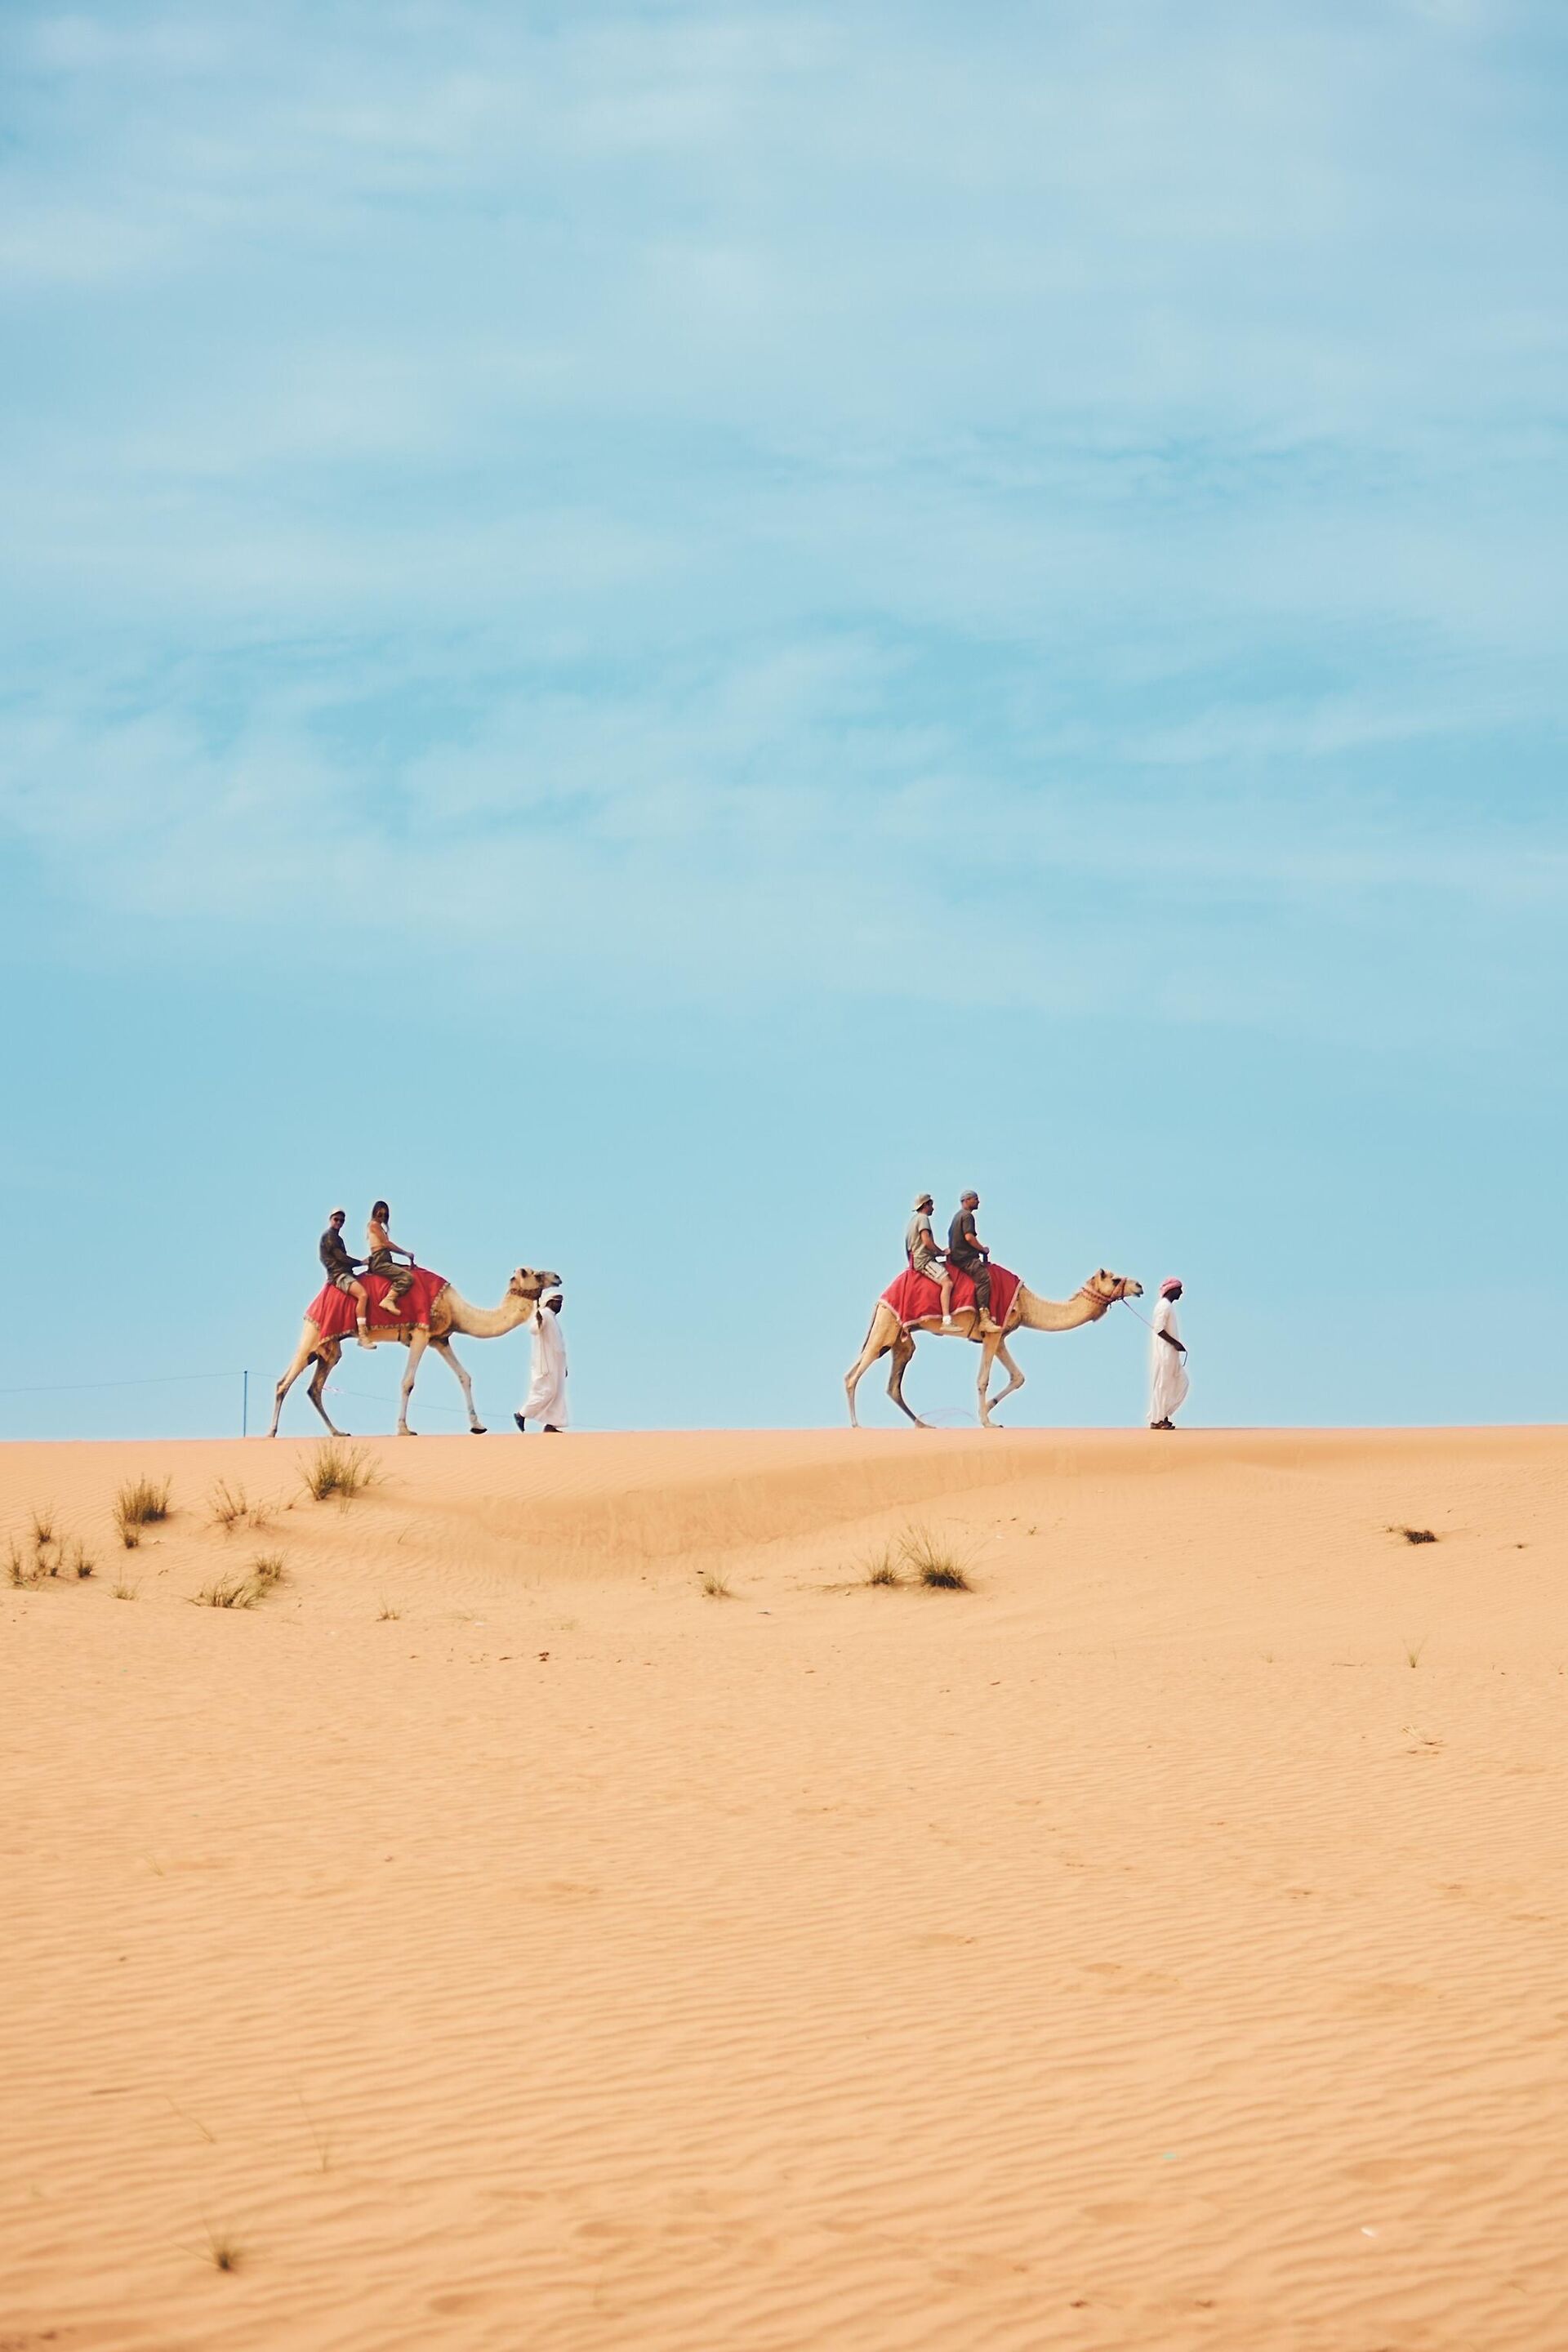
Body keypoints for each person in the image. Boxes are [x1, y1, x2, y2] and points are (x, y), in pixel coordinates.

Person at [514, 1287, 568, 1432]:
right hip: (546, 1364)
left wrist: (564, 1366)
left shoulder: (552, 1318)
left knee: (557, 1394)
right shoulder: (544, 1314)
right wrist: (538, 1320)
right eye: (557, 1303)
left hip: (557, 1364)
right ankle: (522, 1414)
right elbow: (533, 1329)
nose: (560, 1306)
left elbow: (558, 1346)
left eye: (561, 1303)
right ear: (549, 1303)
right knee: (547, 1391)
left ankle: (551, 1424)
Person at [318, 1209, 373, 1348]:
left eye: (342, 1220)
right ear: (330, 1219)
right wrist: (361, 1263)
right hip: (339, 1275)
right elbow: (341, 1258)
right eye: (336, 1219)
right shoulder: (330, 1237)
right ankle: (362, 1335)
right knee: (363, 1295)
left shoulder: (338, 1238)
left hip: (345, 1273)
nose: (339, 1223)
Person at [947, 1190, 999, 1334]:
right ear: (967, 1200)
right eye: (975, 1199)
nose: (978, 1201)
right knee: (984, 1278)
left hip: (957, 1258)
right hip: (965, 1259)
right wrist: (983, 1249)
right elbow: (969, 1237)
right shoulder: (967, 1216)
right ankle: (984, 1318)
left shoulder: (957, 1217)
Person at [904, 1192, 955, 1326]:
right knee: (947, 1283)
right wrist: (942, 1252)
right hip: (924, 1261)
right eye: (931, 1204)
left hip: (919, 1258)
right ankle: (946, 1319)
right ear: (926, 1205)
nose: (933, 1207)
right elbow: (926, 1241)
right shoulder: (923, 1219)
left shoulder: (913, 1221)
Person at [1149, 1276, 1190, 1430]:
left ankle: (1162, 1415)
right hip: (1164, 1353)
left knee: (1180, 1383)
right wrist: (1175, 1343)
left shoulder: (1167, 1306)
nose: (1181, 1292)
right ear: (1172, 1290)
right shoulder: (1163, 1307)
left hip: (1170, 1354)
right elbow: (1159, 1329)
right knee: (1163, 1385)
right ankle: (1157, 1420)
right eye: (1179, 1289)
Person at [365, 1199, 415, 1319]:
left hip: (385, 1259)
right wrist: (405, 1253)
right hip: (380, 1261)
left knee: (408, 1269)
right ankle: (388, 1300)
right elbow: (387, 1244)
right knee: (407, 1278)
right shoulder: (374, 1225)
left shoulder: (380, 1227)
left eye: (385, 1215)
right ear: (375, 1212)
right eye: (380, 1214)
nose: (382, 1217)